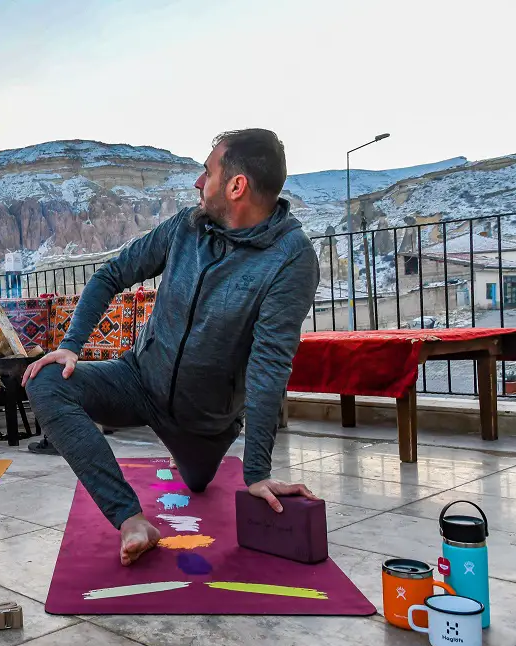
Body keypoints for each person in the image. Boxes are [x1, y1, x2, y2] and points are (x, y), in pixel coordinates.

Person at [23, 129, 320, 566]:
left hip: (203, 422)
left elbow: (269, 367)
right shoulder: (186, 227)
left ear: (237, 186)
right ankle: (130, 519)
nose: (199, 183)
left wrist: (256, 472)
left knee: (198, 483)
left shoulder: (291, 259)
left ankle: (195, 460)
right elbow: (110, 275)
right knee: (46, 381)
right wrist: (70, 346)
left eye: (207, 172)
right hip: (139, 380)